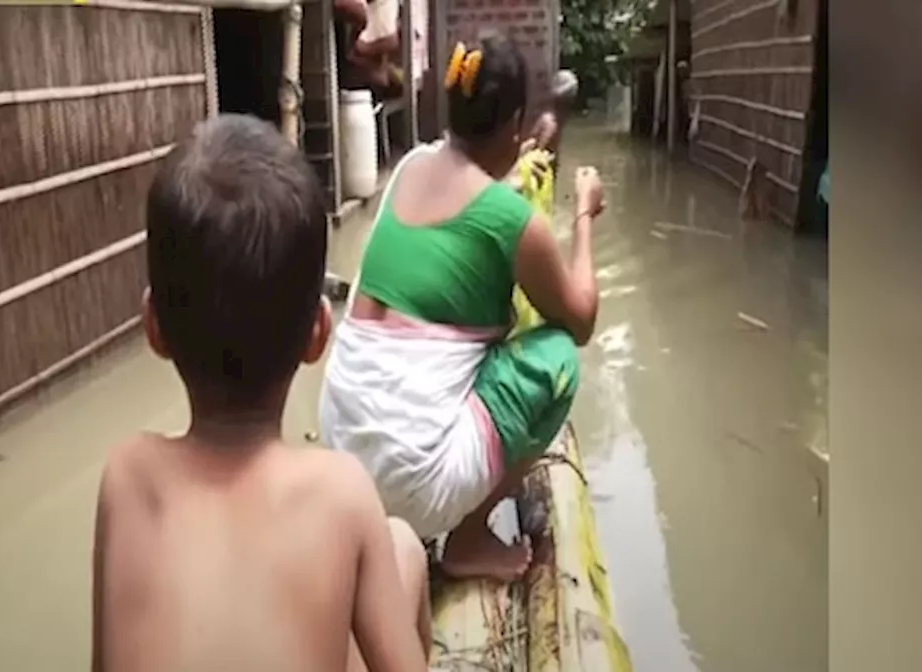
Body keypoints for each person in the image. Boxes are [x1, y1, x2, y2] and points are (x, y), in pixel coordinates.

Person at [91, 114, 430, 672]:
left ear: (154, 328)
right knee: (404, 550)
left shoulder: (127, 478)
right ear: (319, 333)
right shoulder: (342, 493)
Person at [319, 34, 605, 582]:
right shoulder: (512, 221)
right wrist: (585, 216)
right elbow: (582, 319)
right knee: (561, 357)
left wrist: (511, 174)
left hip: (343, 451)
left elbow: (469, 191)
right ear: (517, 120)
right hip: (415, 485)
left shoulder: (409, 167)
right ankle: (467, 538)